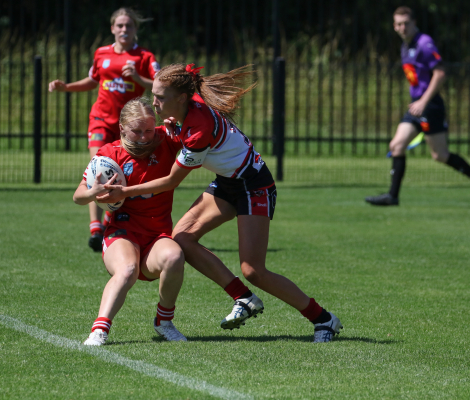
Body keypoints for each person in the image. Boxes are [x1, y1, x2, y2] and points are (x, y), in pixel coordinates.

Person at [97, 63, 343, 343]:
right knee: (181, 239)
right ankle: (244, 298)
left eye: (161, 97)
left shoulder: (198, 131)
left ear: (180, 98)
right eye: (154, 94)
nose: (154, 102)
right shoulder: (189, 106)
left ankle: (324, 319)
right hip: (229, 182)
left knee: (254, 270)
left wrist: (124, 192)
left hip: (253, 185)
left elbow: (170, 182)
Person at [73, 98, 186, 345]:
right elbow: (78, 196)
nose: (145, 137)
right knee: (127, 270)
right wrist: (95, 191)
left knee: (175, 257)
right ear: (122, 128)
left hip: (157, 234)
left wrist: (179, 123)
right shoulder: (109, 155)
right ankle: (99, 330)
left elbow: (197, 134)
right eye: (136, 131)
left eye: (149, 129)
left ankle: (164, 322)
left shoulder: (166, 140)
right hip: (123, 231)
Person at [50, 8, 161, 251]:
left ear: (135, 29)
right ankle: (95, 226)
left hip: (130, 126)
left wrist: (140, 79)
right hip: (101, 119)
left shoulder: (144, 56)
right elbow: (93, 80)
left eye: (128, 26)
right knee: (98, 167)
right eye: (119, 26)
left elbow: (161, 83)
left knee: (122, 171)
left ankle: (112, 220)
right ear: (112, 28)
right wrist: (66, 87)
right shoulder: (101, 53)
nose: (124, 30)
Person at [365, 6, 470, 207]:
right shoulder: (405, 46)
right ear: (394, 26)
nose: (402, 27)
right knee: (397, 145)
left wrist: (424, 101)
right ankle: (392, 196)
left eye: (406, 23)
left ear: (414, 23)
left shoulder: (424, 44)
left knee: (440, 155)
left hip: (429, 106)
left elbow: (440, 73)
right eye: (399, 24)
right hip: (416, 106)